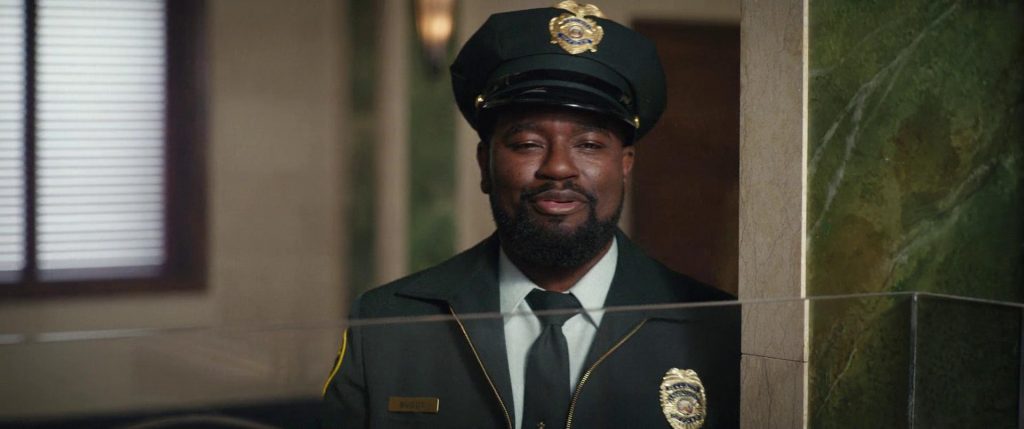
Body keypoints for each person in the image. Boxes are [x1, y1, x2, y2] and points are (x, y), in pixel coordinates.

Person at [321, 2, 739, 428]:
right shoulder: (389, 323)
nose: (558, 167)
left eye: (589, 145)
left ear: (625, 165)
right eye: (527, 144)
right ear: (484, 165)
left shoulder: (717, 327)